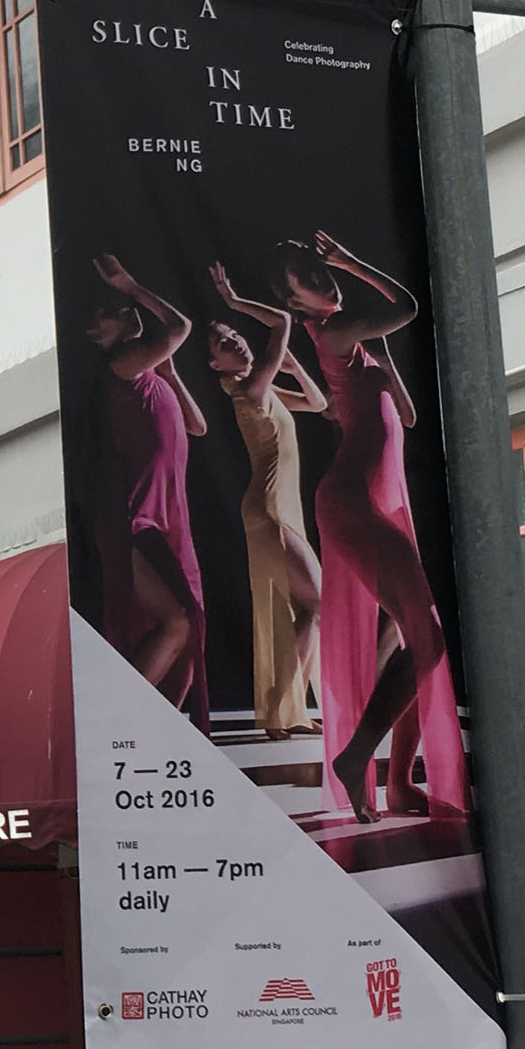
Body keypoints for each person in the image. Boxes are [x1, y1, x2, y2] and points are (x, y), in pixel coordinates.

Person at [269, 230, 464, 823]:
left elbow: (405, 414)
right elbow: (406, 306)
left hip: (379, 502)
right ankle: (357, 758)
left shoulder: (357, 343)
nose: (326, 280)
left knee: (413, 641)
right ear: (297, 303)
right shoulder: (330, 332)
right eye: (313, 278)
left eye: (326, 272)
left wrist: (382, 361)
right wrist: (354, 261)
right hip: (352, 500)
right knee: (426, 638)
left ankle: (400, 782)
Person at [82, 253, 210, 732]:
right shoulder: (120, 366)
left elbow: (197, 426)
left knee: (190, 627)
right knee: (176, 621)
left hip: (164, 516)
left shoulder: (150, 375)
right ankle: (121, 723)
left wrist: (172, 373)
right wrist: (133, 286)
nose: (91, 329)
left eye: (101, 316)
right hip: (132, 517)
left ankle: (163, 730)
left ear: (125, 318)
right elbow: (179, 325)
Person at [205, 261, 327, 740]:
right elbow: (282, 322)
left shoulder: (264, 388)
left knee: (308, 610)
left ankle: (288, 709)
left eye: (232, 332)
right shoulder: (250, 392)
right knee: (316, 605)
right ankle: (279, 708)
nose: (233, 340)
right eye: (222, 343)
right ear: (217, 364)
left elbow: (317, 404)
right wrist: (232, 299)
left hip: (278, 509)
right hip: (270, 509)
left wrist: (294, 366)